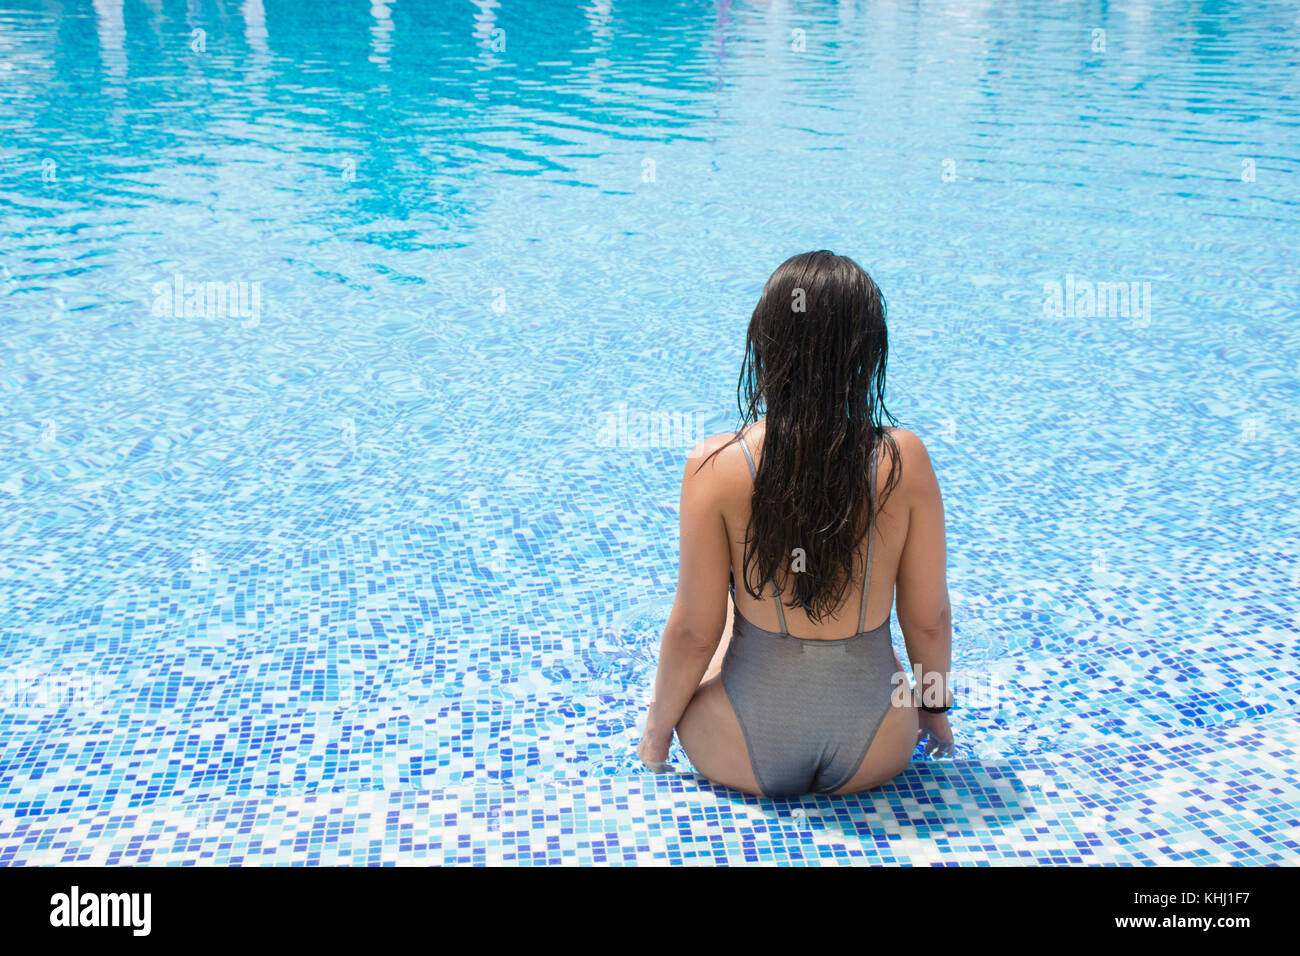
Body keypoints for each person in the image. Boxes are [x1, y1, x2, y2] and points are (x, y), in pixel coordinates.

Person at [637, 250, 955, 798]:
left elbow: (692, 633)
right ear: (867, 354)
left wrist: (655, 738)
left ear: (764, 345)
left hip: (739, 744)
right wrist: (933, 716)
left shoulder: (715, 465)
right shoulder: (906, 460)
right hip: (878, 745)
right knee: (884, 653)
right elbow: (928, 620)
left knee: (728, 619)